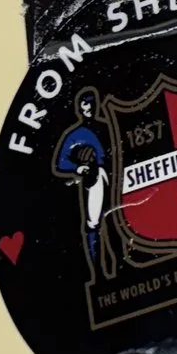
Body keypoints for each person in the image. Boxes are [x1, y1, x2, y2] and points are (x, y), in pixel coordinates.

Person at [54, 90, 122, 280]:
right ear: (80, 108)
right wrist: (78, 168)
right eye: (85, 105)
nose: (89, 109)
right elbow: (61, 162)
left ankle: (121, 269)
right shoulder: (76, 134)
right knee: (94, 225)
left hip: (113, 178)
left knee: (116, 222)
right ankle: (98, 274)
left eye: (91, 104)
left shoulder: (106, 126)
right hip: (94, 181)